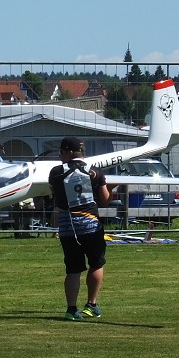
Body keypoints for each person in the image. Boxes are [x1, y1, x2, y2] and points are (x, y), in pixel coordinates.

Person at [48, 136, 110, 322]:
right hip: (91, 224)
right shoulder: (95, 172)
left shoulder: (56, 172)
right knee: (96, 263)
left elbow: (54, 194)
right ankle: (91, 304)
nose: (60, 156)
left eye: (60, 153)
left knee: (73, 269)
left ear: (67, 152)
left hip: (68, 226)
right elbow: (105, 199)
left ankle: (71, 309)